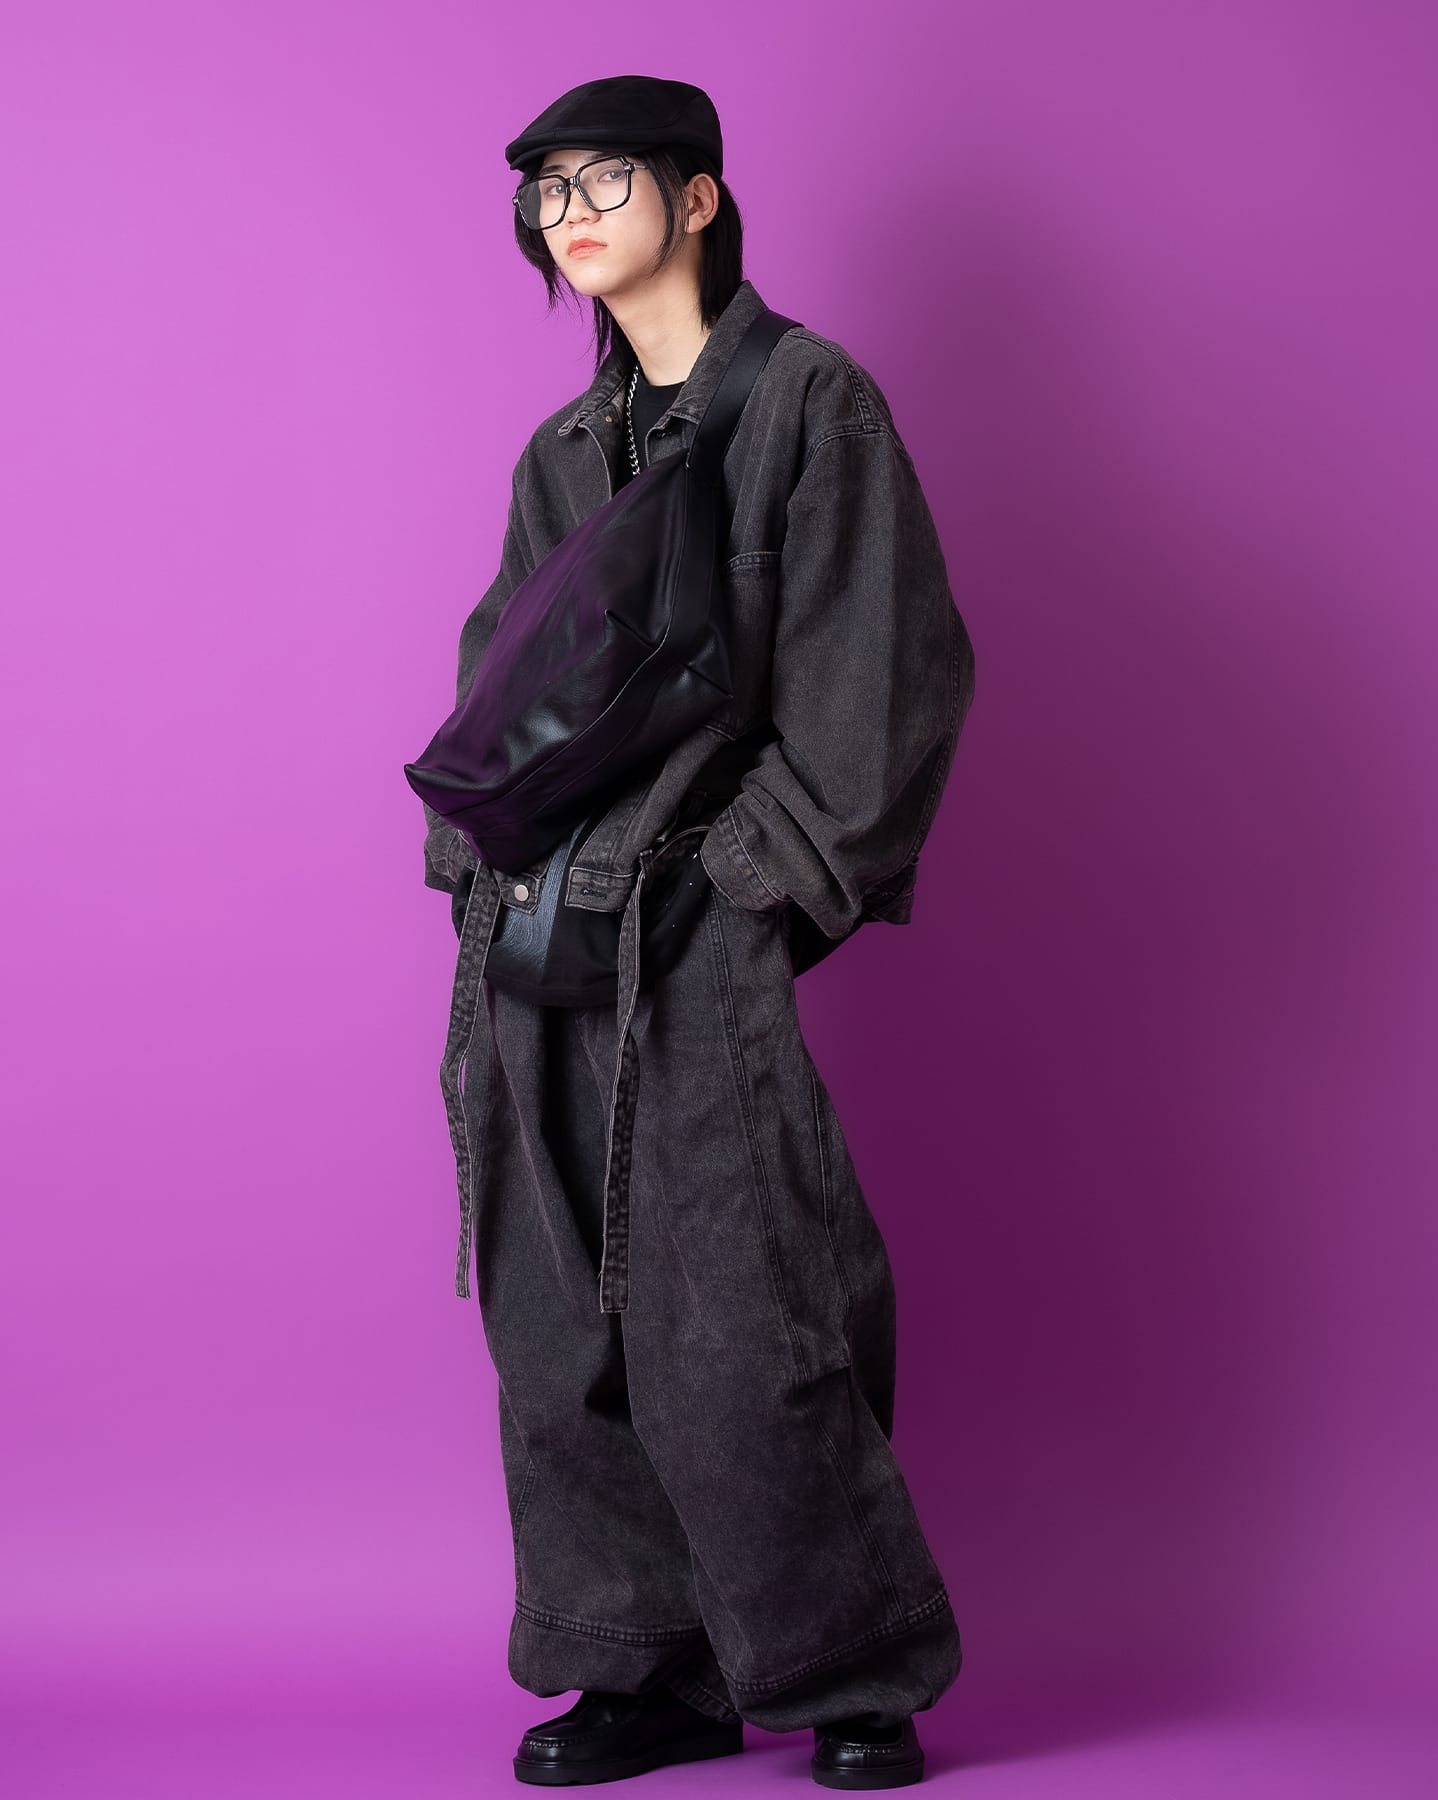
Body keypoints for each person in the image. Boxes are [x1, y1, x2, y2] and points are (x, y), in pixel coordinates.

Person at [420, 76, 977, 1789]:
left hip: (686, 934)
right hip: (532, 937)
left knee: (749, 1312)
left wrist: (737, 893)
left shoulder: (810, 404)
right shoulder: (562, 455)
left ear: (702, 196)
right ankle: (643, 1670)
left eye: (607, 182)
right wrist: (473, 869)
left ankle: (849, 1671)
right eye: (549, 194)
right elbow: (500, 691)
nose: (572, 215)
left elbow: (880, 686)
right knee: (554, 1329)